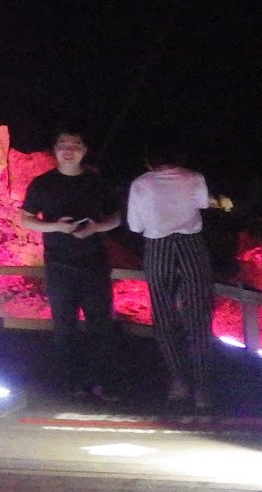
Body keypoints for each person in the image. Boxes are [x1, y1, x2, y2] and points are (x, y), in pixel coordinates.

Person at [18, 130, 122, 398]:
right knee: (64, 324)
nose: (68, 149)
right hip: (58, 263)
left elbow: (116, 217)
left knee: (101, 324)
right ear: (54, 150)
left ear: (84, 150)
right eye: (63, 144)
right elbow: (26, 218)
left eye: (75, 145)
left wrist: (96, 227)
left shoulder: (96, 182)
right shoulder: (42, 183)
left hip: (94, 262)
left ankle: (104, 381)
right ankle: (72, 382)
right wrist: (56, 227)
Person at [126, 137, 218, 411]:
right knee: (199, 315)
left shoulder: (141, 184)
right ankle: (203, 389)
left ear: (148, 159)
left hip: (158, 247)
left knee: (164, 316)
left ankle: (179, 381)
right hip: (192, 246)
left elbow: (135, 226)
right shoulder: (194, 178)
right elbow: (202, 204)